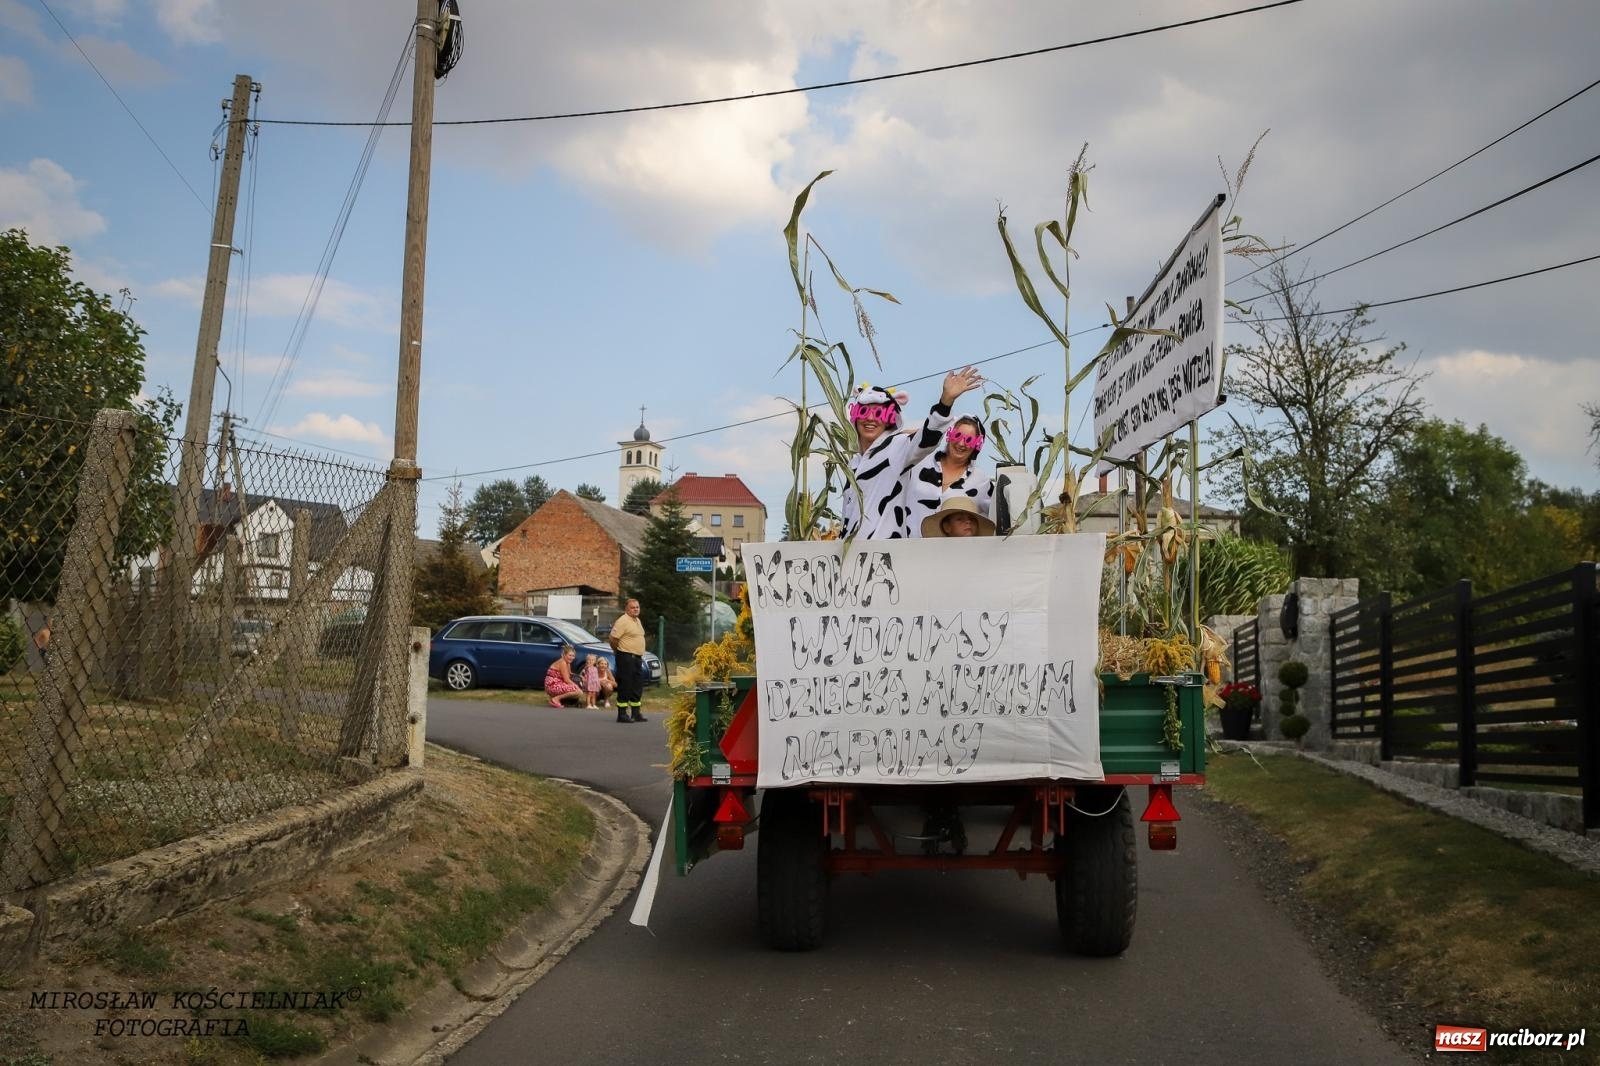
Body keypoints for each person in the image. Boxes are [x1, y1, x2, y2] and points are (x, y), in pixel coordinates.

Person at [840, 366, 984, 540]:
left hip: (884, 556)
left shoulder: (896, 448)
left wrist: (946, 401)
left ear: (890, 419)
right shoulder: (853, 463)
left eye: (880, 413)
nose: (871, 419)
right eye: (864, 412)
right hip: (852, 556)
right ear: (855, 415)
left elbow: (927, 438)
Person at [906, 415, 993, 537]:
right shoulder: (919, 462)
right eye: (957, 436)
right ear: (949, 435)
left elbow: (996, 516)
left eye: (969, 440)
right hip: (909, 549)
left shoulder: (981, 480)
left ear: (976, 445)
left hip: (954, 553)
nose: (962, 443)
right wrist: (914, 437)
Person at [607, 598, 647, 724]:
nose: (636, 609)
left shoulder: (637, 620)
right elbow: (613, 638)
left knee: (637, 685)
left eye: (637, 607)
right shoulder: (622, 621)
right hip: (626, 657)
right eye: (632, 607)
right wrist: (618, 651)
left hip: (637, 658)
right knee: (626, 685)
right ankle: (622, 714)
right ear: (626, 609)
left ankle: (636, 713)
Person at [921, 495, 996, 538]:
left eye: (972, 519)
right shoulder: (938, 553)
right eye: (959, 519)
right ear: (946, 527)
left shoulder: (984, 551)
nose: (968, 521)